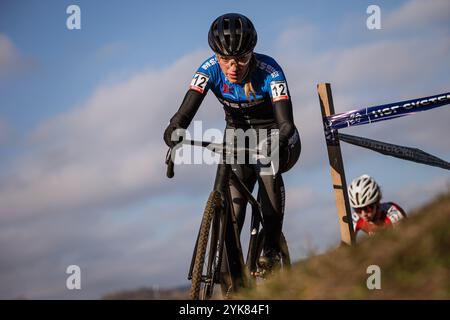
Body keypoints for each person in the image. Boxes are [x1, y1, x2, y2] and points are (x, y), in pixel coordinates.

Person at [163, 13, 301, 271]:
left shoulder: (270, 71)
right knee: (233, 208)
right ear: (216, 56)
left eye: (241, 58)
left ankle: (270, 248)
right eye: (225, 59)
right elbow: (185, 111)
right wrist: (175, 128)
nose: (233, 67)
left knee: (268, 171)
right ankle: (231, 278)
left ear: (252, 53)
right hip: (238, 135)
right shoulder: (208, 70)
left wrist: (278, 141)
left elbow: (286, 124)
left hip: (277, 134)